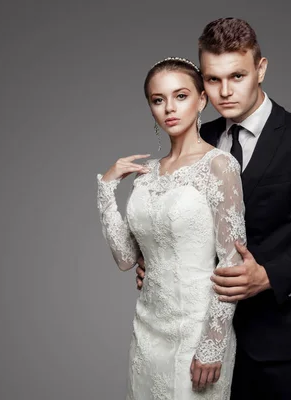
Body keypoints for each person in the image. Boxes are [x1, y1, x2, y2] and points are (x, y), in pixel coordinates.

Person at [136, 18, 291, 399]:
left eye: (236, 76)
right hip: (210, 348)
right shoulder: (199, 137)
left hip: (290, 345)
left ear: (261, 69)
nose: (224, 92)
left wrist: (268, 276)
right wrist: (157, 262)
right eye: (212, 79)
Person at [97, 57, 246, 399]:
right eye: (158, 99)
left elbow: (232, 262)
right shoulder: (147, 174)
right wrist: (106, 189)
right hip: (148, 327)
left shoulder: (219, 166)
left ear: (201, 100)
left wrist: (213, 343)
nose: (169, 108)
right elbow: (125, 258)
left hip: (198, 327)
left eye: (180, 96)